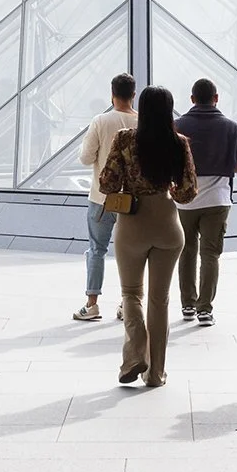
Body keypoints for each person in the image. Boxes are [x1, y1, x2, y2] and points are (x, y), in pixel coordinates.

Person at [99, 86, 197, 388]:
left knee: (131, 294)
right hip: (167, 224)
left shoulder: (125, 139)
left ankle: (134, 355)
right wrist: (170, 190)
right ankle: (155, 374)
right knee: (159, 300)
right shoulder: (179, 143)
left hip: (132, 224)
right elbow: (188, 191)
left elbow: (107, 184)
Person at [175, 77, 237, 327]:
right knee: (210, 254)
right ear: (216, 98)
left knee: (186, 251)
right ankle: (204, 309)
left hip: (185, 201)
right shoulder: (231, 127)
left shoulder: (177, 126)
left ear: (192, 99)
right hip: (217, 200)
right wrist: (223, 167)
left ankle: (187, 304)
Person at [73, 71, 137, 322]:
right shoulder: (142, 122)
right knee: (130, 253)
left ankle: (92, 304)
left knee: (96, 250)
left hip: (102, 198)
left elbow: (86, 157)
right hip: (132, 201)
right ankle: (126, 303)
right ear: (133, 95)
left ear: (112, 95)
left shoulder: (101, 121)